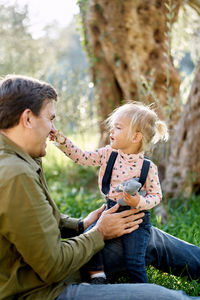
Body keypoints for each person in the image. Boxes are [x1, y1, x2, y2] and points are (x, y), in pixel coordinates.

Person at [0, 75, 200, 300]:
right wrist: (99, 232)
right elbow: (52, 266)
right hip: (39, 290)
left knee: (149, 238)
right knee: (166, 298)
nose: (53, 128)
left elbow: (33, 223)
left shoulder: (22, 157)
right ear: (28, 118)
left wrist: (80, 225)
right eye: (50, 118)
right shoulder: (14, 173)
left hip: (48, 271)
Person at [50, 102, 168, 284]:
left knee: (134, 262)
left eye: (118, 127)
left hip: (135, 219)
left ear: (136, 137)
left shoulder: (147, 167)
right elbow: (82, 157)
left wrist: (139, 202)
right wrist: (61, 141)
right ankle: (98, 277)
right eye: (112, 126)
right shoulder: (108, 154)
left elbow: (156, 196)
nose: (111, 131)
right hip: (110, 211)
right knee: (88, 240)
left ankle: (144, 292)